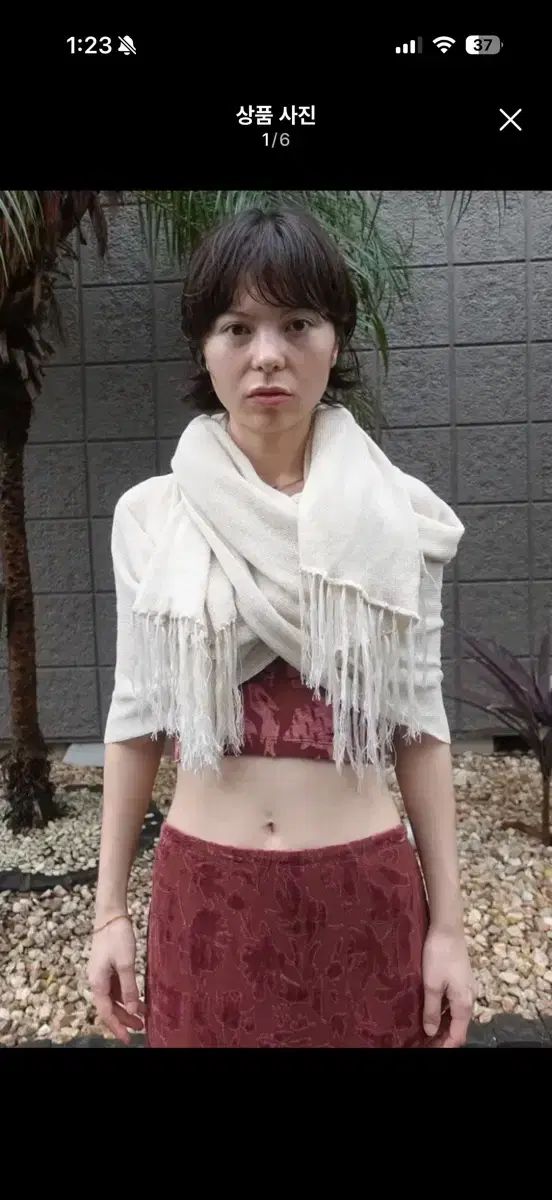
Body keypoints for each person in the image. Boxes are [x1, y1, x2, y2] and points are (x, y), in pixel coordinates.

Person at [88, 204, 475, 1048]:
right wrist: (109, 912)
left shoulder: (397, 519)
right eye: (237, 327)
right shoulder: (152, 517)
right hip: (205, 898)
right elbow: (136, 717)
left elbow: (419, 724)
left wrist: (448, 927)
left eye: (297, 323)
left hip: (362, 897)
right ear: (204, 347)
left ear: (336, 340)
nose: (267, 354)